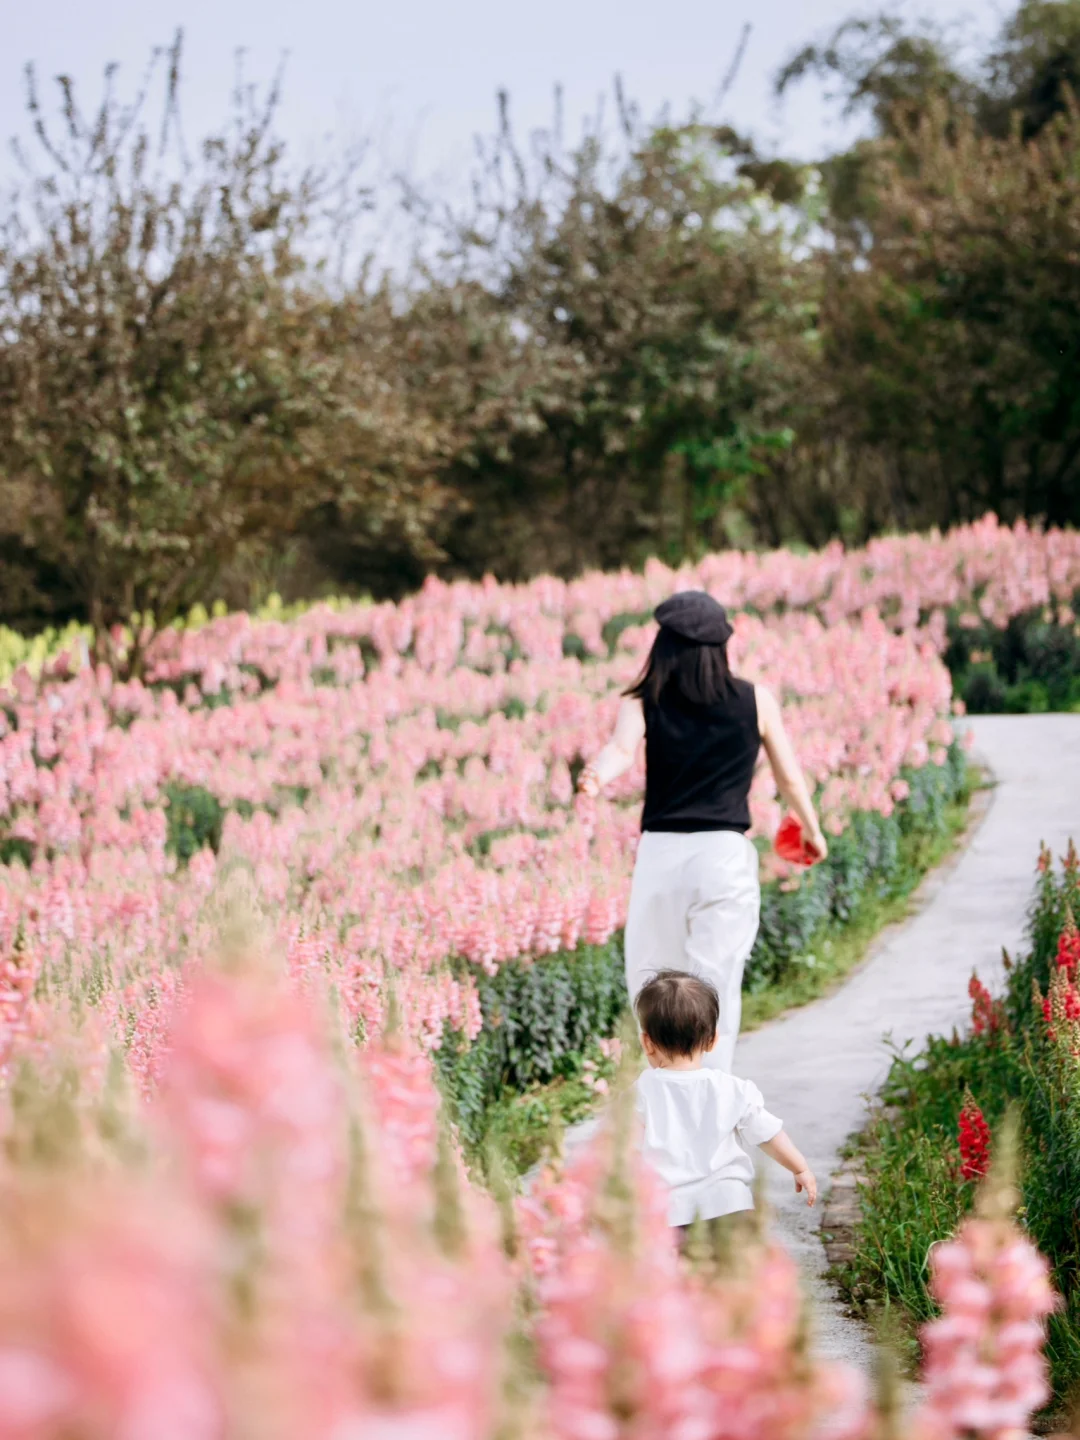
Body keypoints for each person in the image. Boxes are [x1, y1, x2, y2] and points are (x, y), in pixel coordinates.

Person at [578, 590, 827, 1071]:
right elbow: (789, 778)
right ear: (721, 646)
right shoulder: (756, 699)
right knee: (715, 987)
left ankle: (665, 1105)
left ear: (664, 646)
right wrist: (812, 831)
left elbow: (620, 752)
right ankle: (711, 1103)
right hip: (724, 859)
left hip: (661, 857)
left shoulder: (642, 699)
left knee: (655, 986)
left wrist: (595, 776)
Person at [633, 970, 816, 1233]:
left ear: (646, 1043)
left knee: (676, 1274)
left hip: (667, 1214)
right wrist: (800, 1168)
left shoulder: (640, 1092)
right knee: (732, 1273)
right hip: (730, 1206)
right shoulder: (733, 1089)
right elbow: (768, 1133)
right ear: (713, 1040)